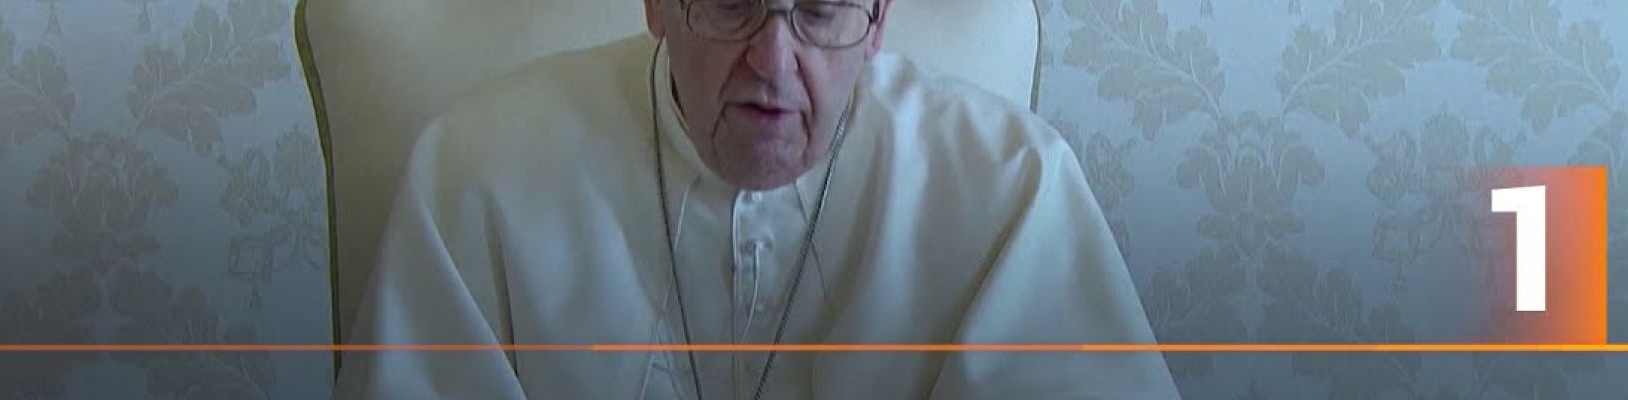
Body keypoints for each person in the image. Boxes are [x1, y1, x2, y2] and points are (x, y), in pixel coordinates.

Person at [333, 0, 1181, 398]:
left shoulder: (1009, 183)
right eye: (732, 6)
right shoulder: (479, 168)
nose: (774, 63)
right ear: (658, 6)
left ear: (878, 19)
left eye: (820, 11)